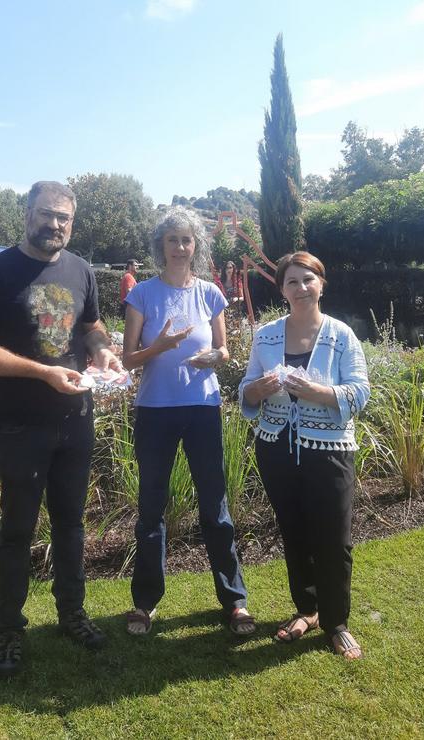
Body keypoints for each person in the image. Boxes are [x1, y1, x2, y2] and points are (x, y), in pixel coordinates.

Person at [0, 181, 122, 677]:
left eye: (64, 219)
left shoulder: (81, 271)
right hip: (21, 425)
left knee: (71, 525)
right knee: (16, 531)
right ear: (27, 213)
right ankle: (8, 629)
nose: (55, 225)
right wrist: (43, 372)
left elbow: (91, 326)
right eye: (47, 215)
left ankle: (71, 613)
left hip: (76, 420)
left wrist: (101, 350)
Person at [122, 206, 255, 637]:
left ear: (195, 245)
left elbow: (225, 350)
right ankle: (145, 604)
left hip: (202, 407)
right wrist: (159, 345)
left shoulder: (210, 293)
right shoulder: (142, 294)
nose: (180, 247)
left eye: (187, 240)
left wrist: (216, 357)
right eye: (172, 240)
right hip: (156, 411)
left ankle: (234, 600)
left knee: (215, 506)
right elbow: (128, 359)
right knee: (151, 508)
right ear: (160, 246)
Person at [238, 251, 369, 659]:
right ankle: (307, 610)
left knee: (333, 538)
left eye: (308, 279)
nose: (301, 288)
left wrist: (318, 393)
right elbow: (245, 389)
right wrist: (256, 390)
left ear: (321, 284)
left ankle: (336, 623)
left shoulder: (341, 335)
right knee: (293, 533)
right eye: (292, 281)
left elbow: (360, 392)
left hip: (328, 449)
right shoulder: (267, 336)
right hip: (276, 446)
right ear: (282, 289)